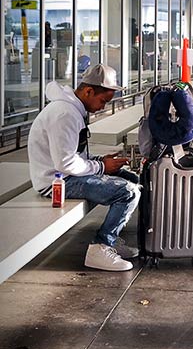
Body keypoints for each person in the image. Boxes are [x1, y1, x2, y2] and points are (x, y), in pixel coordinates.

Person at [27, 64, 140, 272]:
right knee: (127, 192)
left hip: (65, 175)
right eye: (103, 101)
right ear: (88, 91)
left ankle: (111, 242)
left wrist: (101, 162)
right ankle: (101, 247)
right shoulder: (65, 114)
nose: (104, 107)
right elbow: (65, 163)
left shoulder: (72, 109)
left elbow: (72, 155)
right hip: (56, 184)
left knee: (132, 179)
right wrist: (100, 166)